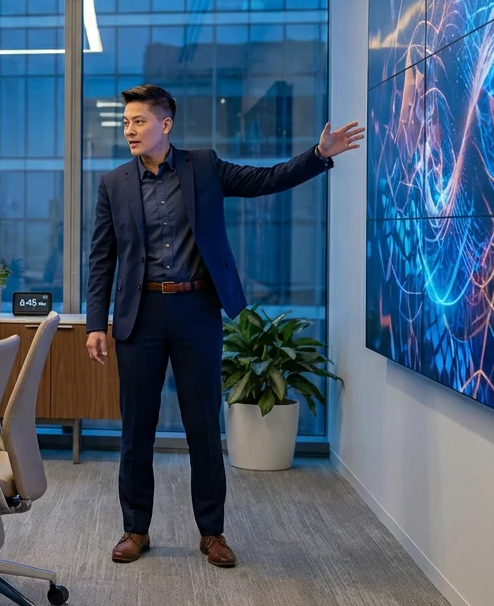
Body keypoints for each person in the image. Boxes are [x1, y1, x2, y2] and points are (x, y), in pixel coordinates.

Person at [86, 85, 363, 567]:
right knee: (137, 430)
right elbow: (101, 258)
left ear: (165, 124)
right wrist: (95, 323)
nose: (129, 130)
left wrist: (318, 155)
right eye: (126, 123)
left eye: (138, 121)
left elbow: (265, 179)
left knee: (201, 427)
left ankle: (212, 532)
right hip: (140, 316)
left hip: (196, 311)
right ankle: (135, 528)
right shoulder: (113, 184)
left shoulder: (204, 167)